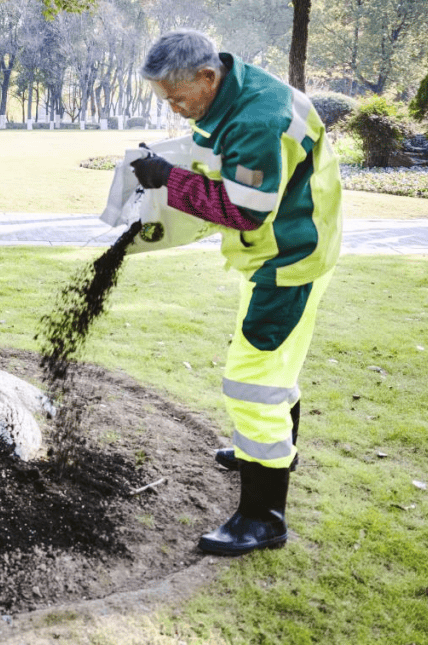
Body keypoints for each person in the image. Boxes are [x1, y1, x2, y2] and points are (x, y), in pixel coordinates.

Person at [131, 30, 341, 556]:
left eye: (180, 97)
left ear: (208, 75)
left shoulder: (254, 117)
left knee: (253, 381)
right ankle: (272, 453)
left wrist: (168, 179)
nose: (177, 109)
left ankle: (263, 517)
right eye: (166, 101)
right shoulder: (237, 85)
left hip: (288, 258)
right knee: (276, 369)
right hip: (288, 244)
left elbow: (244, 210)